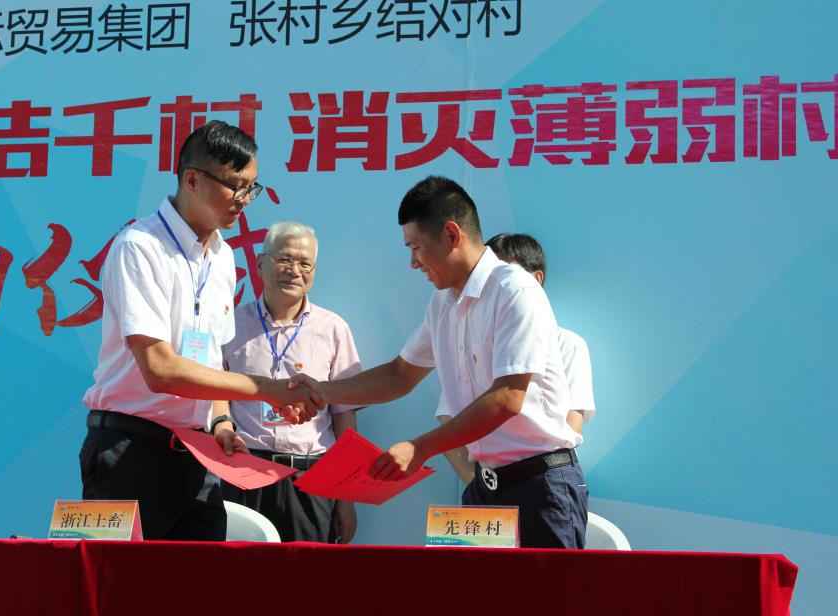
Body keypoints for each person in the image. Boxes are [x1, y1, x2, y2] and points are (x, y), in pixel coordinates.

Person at [291, 175, 587, 548]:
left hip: (540, 488)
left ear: (451, 234)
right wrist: (323, 391)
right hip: (483, 487)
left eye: (416, 247)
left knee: (547, 589)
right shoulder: (442, 303)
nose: (413, 263)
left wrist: (419, 448)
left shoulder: (514, 290)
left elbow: (508, 397)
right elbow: (400, 374)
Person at [80, 121, 321, 541]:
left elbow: (211, 360)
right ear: (191, 180)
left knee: (204, 578)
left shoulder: (223, 258)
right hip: (129, 453)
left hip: (197, 454)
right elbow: (160, 369)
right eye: (235, 187)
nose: (244, 201)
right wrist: (266, 389)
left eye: (251, 188)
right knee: (120, 580)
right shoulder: (140, 246)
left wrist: (223, 420)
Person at [222, 221, 364, 543]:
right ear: (260, 263)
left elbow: (345, 420)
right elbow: (215, 401)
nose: (294, 271)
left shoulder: (333, 329)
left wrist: (346, 499)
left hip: (310, 478)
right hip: (244, 474)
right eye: (284, 259)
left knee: (307, 573)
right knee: (241, 572)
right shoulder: (230, 326)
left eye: (305, 264)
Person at [440, 233, 597, 484]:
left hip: (543, 481)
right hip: (485, 487)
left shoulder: (568, 344)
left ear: (536, 279)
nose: (493, 285)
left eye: (504, 273)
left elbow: (571, 422)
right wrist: (479, 484)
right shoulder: (464, 338)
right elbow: (448, 415)